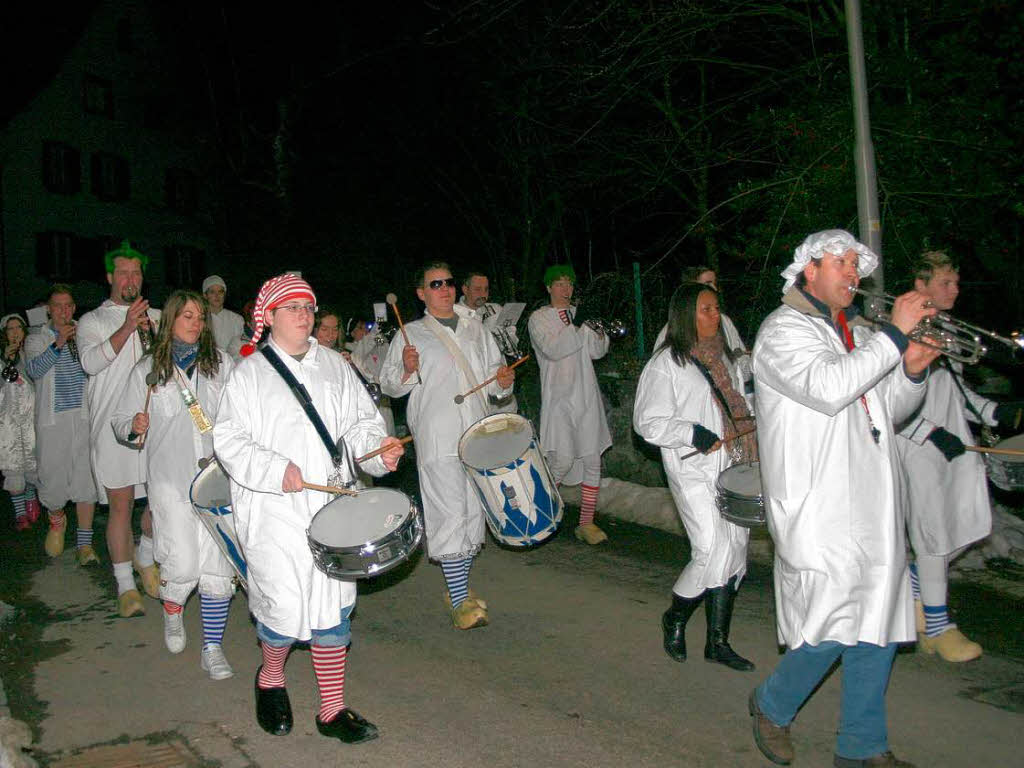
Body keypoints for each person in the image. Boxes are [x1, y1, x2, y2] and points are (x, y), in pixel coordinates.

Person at [748, 230, 940, 768]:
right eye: (843, 262)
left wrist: (912, 368)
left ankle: (862, 747)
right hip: (820, 501)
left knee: (878, 619)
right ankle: (771, 702)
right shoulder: (781, 332)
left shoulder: (853, 332)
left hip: (872, 498)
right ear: (809, 269)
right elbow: (832, 389)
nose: (854, 273)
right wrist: (894, 338)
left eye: (858, 264)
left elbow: (887, 408)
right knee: (832, 622)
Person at [214, 273, 404, 744]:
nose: (304, 315)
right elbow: (229, 440)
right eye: (293, 307)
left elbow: (360, 424)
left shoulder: (336, 367)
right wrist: (275, 467)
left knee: (333, 609)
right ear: (270, 317)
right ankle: (271, 678)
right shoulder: (249, 374)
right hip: (273, 509)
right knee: (282, 608)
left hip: (330, 505)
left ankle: (332, 709)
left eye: (308, 307)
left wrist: (378, 450)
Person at [896, 250, 1022, 663]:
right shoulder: (901, 328)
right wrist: (927, 433)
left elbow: (954, 391)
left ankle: (913, 583)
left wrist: (992, 412)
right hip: (917, 447)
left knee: (972, 521)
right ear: (921, 286)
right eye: (945, 283)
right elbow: (883, 401)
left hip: (955, 442)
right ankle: (938, 625)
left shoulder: (947, 328)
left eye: (955, 282)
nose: (955, 289)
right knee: (933, 535)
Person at [380, 262, 514, 629]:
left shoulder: (476, 329)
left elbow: (495, 381)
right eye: (434, 284)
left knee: (473, 513)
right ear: (421, 293)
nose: (444, 288)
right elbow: (390, 385)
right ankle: (459, 601)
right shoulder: (412, 334)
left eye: (449, 282)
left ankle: (460, 589)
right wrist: (407, 369)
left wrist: (503, 381)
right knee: (449, 513)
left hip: (477, 435)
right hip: (438, 437)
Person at [112, 290, 237, 679]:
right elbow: (119, 420)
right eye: (187, 316)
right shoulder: (150, 370)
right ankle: (172, 611)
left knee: (218, 564)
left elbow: (244, 415)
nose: (196, 324)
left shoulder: (223, 365)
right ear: (170, 320)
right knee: (181, 559)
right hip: (169, 479)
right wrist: (132, 426)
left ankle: (212, 646)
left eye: (201, 317)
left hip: (217, 479)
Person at [634, 282, 757, 672]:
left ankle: (717, 642)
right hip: (693, 468)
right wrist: (692, 433)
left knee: (734, 550)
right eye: (705, 309)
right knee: (709, 550)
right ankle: (676, 616)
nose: (713, 315)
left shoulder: (725, 359)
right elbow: (647, 423)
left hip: (734, 464)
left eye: (716, 308)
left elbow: (742, 402)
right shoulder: (666, 364)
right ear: (686, 314)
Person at [77, 240, 162, 618]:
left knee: (162, 502)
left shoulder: (158, 316)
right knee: (121, 507)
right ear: (111, 277)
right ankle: (126, 586)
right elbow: (91, 364)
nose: (131, 279)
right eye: (123, 272)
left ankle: (146, 555)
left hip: (156, 424)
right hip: (112, 429)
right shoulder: (92, 321)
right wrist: (127, 327)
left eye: (137, 272)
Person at [527, 264, 611, 545]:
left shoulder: (580, 316)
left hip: (586, 396)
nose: (566, 289)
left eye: (570, 284)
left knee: (592, 459)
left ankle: (586, 523)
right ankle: (541, 513)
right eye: (560, 284)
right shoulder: (539, 318)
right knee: (561, 460)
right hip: (559, 399)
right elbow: (553, 349)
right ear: (549, 288)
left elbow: (597, 352)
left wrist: (597, 331)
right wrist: (576, 325)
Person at [24, 286, 99, 563]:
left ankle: (85, 543)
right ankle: (57, 520)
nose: (63, 311)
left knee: (86, 480)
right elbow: (33, 370)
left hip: (83, 416)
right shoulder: (36, 338)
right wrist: (57, 344)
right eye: (58, 306)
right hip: (52, 421)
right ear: (49, 309)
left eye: (68, 305)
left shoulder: (85, 333)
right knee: (52, 478)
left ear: (74, 307)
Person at [654, 265, 751, 407]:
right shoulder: (671, 331)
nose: (714, 289)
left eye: (715, 283)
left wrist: (752, 363)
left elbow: (741, 364)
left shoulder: (724, 322)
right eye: (707, 283)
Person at [460, 270, 519, 412]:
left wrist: (502, 335)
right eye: (477, 289)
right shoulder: (456, 316)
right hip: (475, 393)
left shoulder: (497, 309)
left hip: (502, 391)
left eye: (486, 289)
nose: (483, 294)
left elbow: (512, 349)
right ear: (465, 289)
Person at [1, 313, 39, 531]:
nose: (15, 333)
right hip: (7, 422)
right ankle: (20, 513)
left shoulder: (31, 354)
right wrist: (6, 359)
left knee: (33, 464)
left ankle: (31, 494)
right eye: (10, 329)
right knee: (12, 466)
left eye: (18, 328)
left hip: (31, 417)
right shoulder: (2, 356)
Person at [203, 275, 244, 355]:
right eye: (212, 292)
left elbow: (240, 348)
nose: (217, 296)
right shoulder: (200, 319)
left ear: (224, 294)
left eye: (220, 291)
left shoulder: (237, 319)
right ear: (205, 295)